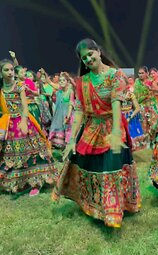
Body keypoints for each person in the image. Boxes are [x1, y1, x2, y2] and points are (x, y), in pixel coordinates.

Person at [52, 38, 141, 228]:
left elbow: (116, 105)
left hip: (111, 127)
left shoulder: (115, 76)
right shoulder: (82, 82)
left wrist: (116, 132)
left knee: (111, 169)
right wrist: (70, 141)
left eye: (90, 54)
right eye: (84, 58)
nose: (88, 59)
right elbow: (79, 110)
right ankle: (92, 207)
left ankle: (113, 213)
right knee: (90, 166)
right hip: (91, 128)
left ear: (98, 52)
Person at [0, 59, 57, 196]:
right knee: (12, 154)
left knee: (31, 152)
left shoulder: (19, 86)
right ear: (1, 73)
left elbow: (25, 106)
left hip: (23, 122)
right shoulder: (1, 90)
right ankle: (17, 183)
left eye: (11, 69)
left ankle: (36, 183)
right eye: (6, 70)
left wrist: (24, 121)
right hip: (8, 124)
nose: (10, 72)